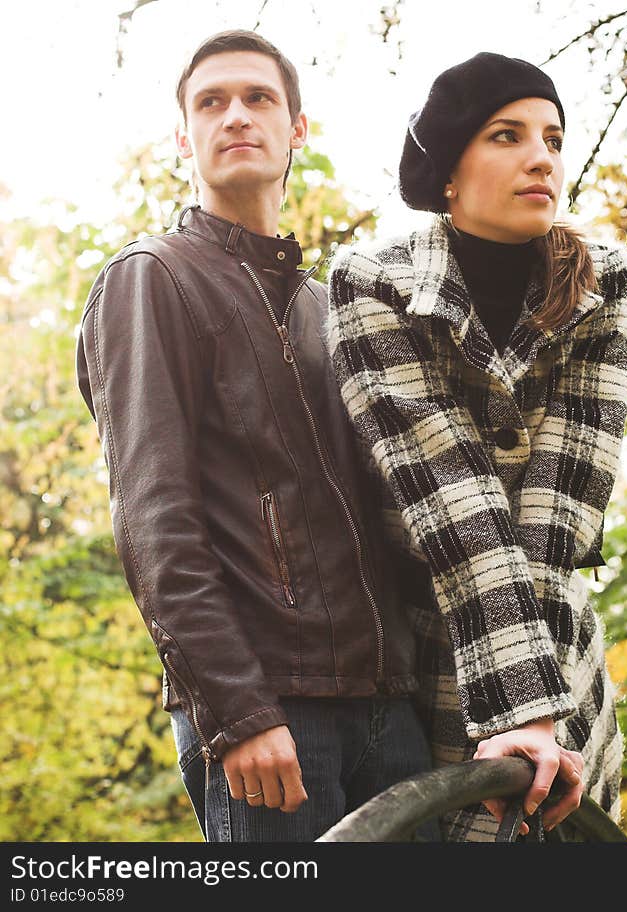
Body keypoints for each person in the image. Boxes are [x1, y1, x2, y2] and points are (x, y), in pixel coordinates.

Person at [76, 29, 434, 843]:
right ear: (184, 138)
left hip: (389, 709)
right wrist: (235, 708)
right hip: (271, 716)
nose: (236, 115)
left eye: (259, 98)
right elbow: (154, 520)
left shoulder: (328, 306)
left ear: (296, 128)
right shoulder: (151, 278)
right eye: (212, 102)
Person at [327, 51, 627, 841]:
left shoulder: (607, 283)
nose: (542, 157)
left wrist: (538, 715)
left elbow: (559, 511)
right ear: (447, 174)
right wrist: (514, 710)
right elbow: (451, 498)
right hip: (432, 651)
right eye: (507, 135)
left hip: (559, 646)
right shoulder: (373, 283)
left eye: (553, 137)